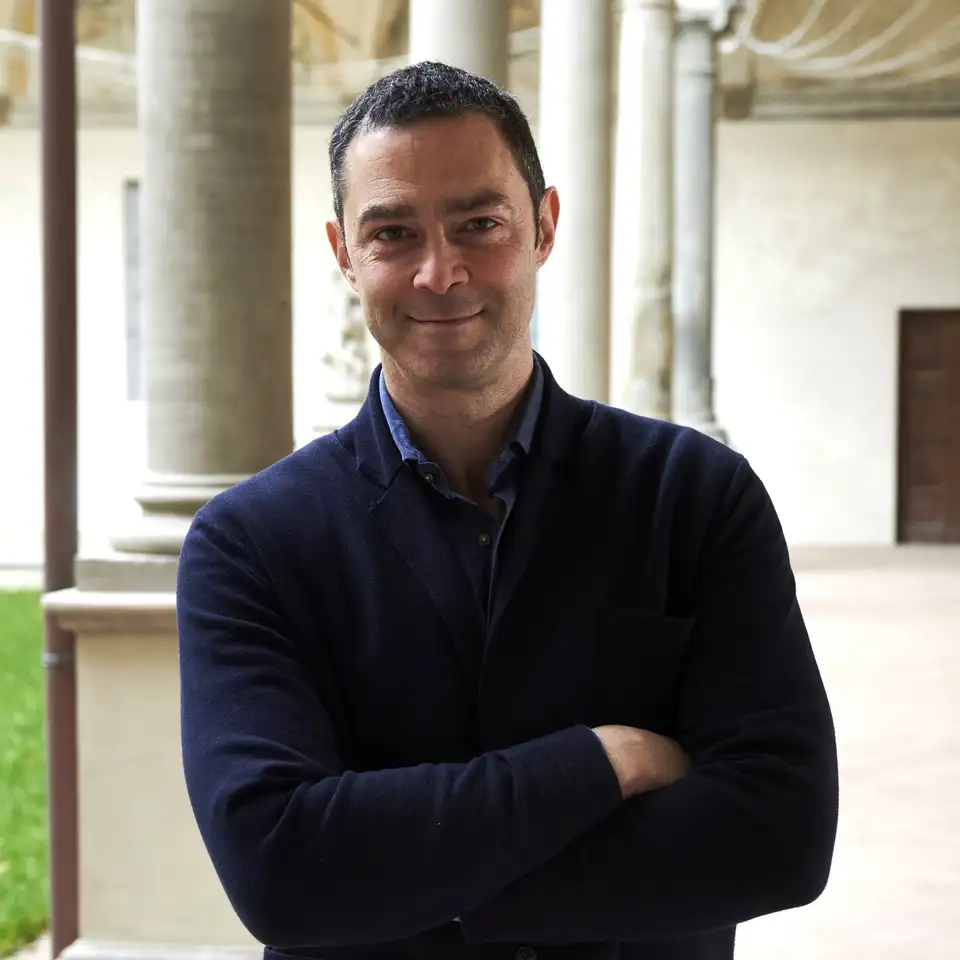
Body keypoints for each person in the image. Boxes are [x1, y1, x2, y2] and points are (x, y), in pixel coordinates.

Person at [177, 61, 838, 960]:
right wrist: (608, 760)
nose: (439, 272)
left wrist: (415, 893)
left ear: (544, 226)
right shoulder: (250, 543)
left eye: (479, 224)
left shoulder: (696, 496)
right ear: (343, 253)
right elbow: (279, 869)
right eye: (393, 233)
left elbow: (782, 835)